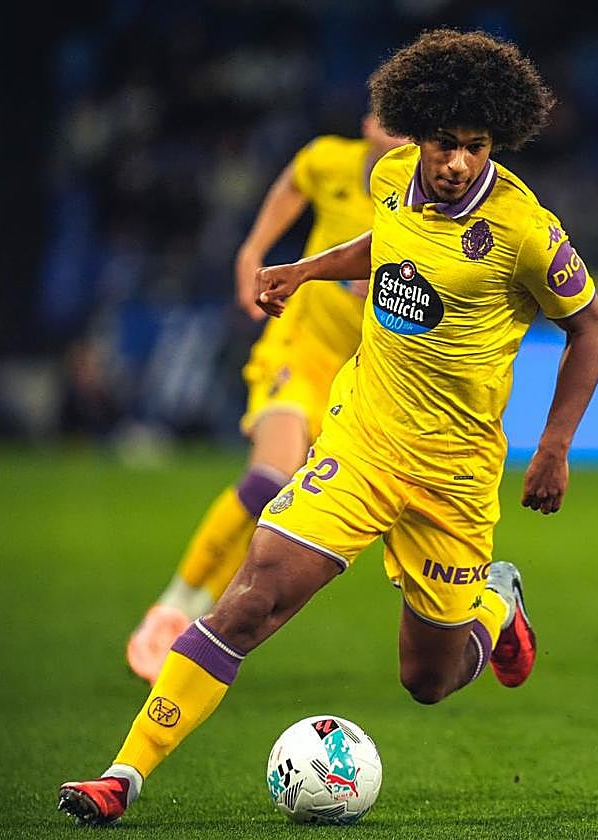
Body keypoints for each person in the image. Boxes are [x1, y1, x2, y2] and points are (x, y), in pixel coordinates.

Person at [59, 29, 598, 825]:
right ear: (416, 135)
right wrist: (309, 267)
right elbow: (385, 244)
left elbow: (589, 326)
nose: (457, 162)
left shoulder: (526, 231)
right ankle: (123, 776)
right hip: (362, 444)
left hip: (454, 477)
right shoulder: (390, 176)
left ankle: (495, 605)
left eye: (476, 147)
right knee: (251, 602)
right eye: (444, 144)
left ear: (498, 142)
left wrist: (554, 446)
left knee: (429, 679)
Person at [124, 114, 409, 684]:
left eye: (408, 126)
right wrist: (253, 248)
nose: (394, 133)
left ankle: (203, 620)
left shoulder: (423, 201)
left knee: (289, 510)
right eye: (386, 120)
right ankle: (171, 609)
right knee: (266, 481)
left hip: (362, 378)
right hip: (296, 350)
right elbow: (291, 186)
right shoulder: (329, 158)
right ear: (367, 124)